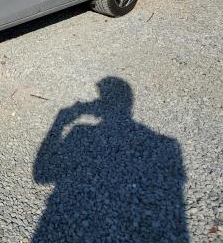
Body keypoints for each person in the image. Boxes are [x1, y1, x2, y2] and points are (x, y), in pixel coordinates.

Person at [32, 77, 187, 243]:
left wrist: (59, 122)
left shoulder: (80, 132)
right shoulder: (167, 145)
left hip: (64, 223)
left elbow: (42, 176)